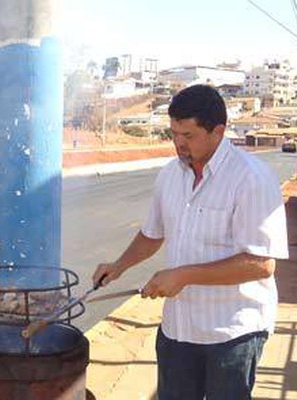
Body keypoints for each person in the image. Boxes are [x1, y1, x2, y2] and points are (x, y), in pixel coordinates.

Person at [92, 84, 288, 399]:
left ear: (218, 131)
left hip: (232, 333)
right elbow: (152, 233)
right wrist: (119, 266)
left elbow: (262, 264)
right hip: (178, 330)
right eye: (173, 134)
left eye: (188, 136)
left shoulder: (250, 178)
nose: (178, 144)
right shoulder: (171, 174)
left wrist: (183, 275)